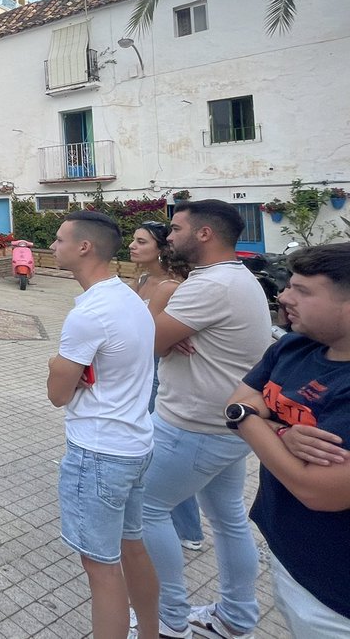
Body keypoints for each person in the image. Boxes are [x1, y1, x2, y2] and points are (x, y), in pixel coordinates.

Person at [145, 200, 271, 639]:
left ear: (204, 234)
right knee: (228, 519)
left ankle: (169, 619)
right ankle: (236, 617)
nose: (169, 236)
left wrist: (161, 306)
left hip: (192, 428)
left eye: (176, 228)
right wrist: (168, 329)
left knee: (147, 510)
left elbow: (147, 341)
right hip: (225, 427)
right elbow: (163, 338)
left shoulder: (210, 285)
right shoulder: (236, 278)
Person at [224, 243, 350, 637]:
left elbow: (316, 489)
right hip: (290, 554)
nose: (284, 296)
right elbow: (238, 400)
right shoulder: (295, 345)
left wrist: (252, 418)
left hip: (336, 594)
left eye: (303, 290)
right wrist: (282, 432)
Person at [47, 211, 159, 639]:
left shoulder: (89, 314)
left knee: (100, 567)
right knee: (132, 546)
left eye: (58, 239)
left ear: (84, 247)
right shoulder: (129, 298)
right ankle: (151, 631)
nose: (53, 247)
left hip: (98, 451)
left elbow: (58, 394)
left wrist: (55, 366)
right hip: (134, 443)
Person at [129, 221, 205, 553]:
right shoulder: (143, 279)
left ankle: (188, 528)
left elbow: (158, 338)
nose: (132, 245)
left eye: (140, 241)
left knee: (160, 452)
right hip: (138, 369)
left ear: (161, 248)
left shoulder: (173, 286)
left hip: (159, 373)